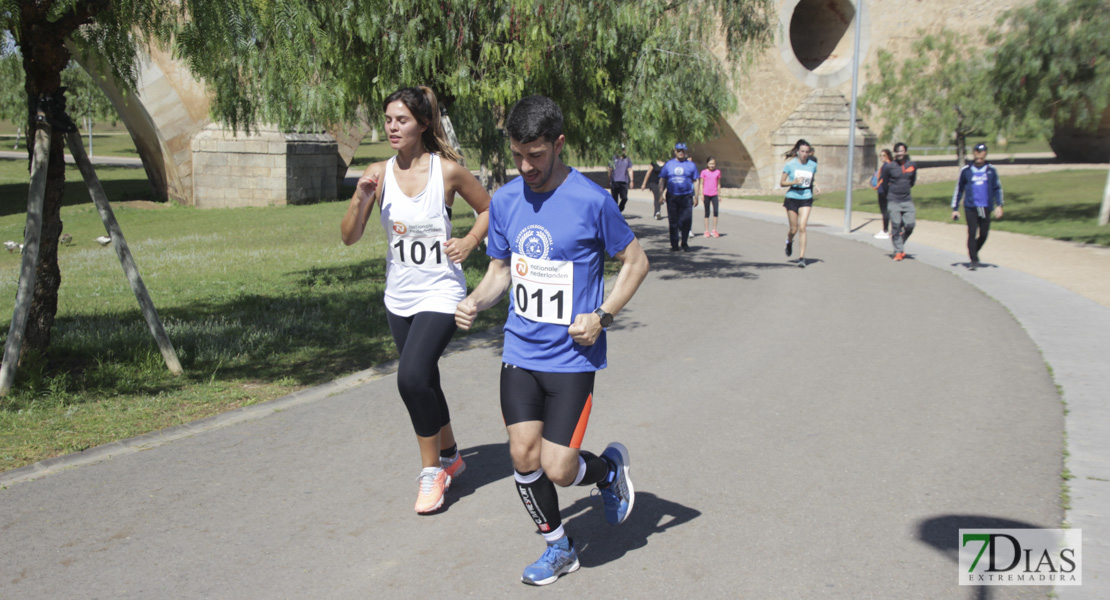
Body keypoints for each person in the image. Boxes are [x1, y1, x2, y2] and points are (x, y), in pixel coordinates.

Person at [454, 95, 649, 586]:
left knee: (559, 467)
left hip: (571, 358)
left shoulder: (592, 200)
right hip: (520, 351)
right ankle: (558, 547)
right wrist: (476, 300)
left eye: (536, 155)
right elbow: (499, 269)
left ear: (559, 144)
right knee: (523, 455)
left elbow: (636, 263)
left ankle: (606, 472)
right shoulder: (504, 200)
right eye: (518, 154)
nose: (526, 166)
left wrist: (603, 315)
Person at [340, 86, 491, 514]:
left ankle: (432, 472)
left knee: (410, 379)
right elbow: (349, 237)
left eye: (401, 119)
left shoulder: (448, 172)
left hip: (441, 291)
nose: (392, 127)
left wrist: (470, 239)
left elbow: (488, 208)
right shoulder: (377, 173)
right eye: (387, 119)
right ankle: (453, 455)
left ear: (423, 124)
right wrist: (361, 196)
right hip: (399, 296)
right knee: (425, 379)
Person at [951, 143, 1004, 270]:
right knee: (972, 232)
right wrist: (955, 209)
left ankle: (973, 250)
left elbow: (998, 188)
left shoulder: (991, 170)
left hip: (985, 206)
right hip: (971, 207)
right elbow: (959, 189)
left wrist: (999, 205)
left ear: (985, 154)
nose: (979, 155)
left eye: (982, 152)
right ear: (973, 153)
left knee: (984, 233)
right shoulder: (966, 170)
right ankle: (974, 259)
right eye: (977, 152)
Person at [779, 139, 819, 268]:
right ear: (797, 152)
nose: (804, 154)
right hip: (792, 197)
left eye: (807, 152)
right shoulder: (790, 165)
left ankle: (802, 258)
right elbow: (782, 183)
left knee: (802, 227)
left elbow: (812, 178)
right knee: (794, 229)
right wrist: (794, 181)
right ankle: (789, 241)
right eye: (802, 151)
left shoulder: (812, 165)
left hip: (806, 196)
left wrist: (816, 186)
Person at [878, 142, 917, 261]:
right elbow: (884, 183)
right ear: (895, 153)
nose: (899, 153)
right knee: (896, 224)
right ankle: (898, 251)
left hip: (907, 200)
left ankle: (899, 242)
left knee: (910, 225)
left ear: (905, 152)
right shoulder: (890, 167)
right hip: (893, 200)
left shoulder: (912, 165)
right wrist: (890, 195)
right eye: (897, 151)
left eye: (901, 151)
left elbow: (912, 181)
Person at [660, 143, 700, 251]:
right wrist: (661, 195)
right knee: (673, 221)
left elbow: (696, 181)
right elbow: (662, 179)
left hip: (686, 196)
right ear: (675, 151)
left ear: (686, 152)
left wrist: (696, 196)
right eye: (678, 150)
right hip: (672, 195)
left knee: (686, 220)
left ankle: (685, 243)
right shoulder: (669, 164)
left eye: (683, 150)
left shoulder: (691, 165)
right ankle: (674, 245)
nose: (681, 152)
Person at [872, 148, 893, 239]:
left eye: (884, 155)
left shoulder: (886, 166)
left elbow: (886, 179)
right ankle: (887, 229)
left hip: (884, 191)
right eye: (880, 156)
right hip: (883, 190)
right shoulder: (888, 165)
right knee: (886, 211)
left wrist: (885, 190)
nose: (881, 157)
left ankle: (885, 230)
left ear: (888, 156)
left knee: (885, 211)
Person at [700, 156, 722, 238]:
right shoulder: (704, 172)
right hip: (706, 194)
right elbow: (702, 184)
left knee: (715, 212)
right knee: (707, 212)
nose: (712, 165)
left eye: (713, 164)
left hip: (714, 194)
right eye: (710, 163)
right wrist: (701, 194)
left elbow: (719, 184)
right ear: (707, 164)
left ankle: (714, 229)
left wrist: (719, 195)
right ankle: (706, 230)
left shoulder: (718, 172)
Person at [607, 144, 634, 212]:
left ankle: (619, 210)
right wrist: (609, 180)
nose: (623, 151)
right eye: (621, 149)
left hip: (624, 181)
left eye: (623, 149)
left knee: (624, 198)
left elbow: (630, 170)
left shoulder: (627, 159)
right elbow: (610, 170)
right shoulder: (613, 158)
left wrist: (632, 180)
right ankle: (616, 213)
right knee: (614, 199)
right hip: (615, 181)